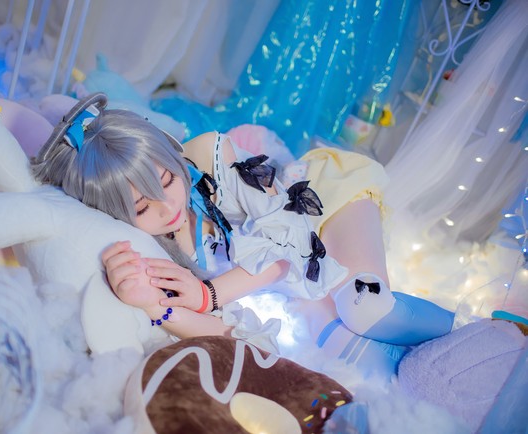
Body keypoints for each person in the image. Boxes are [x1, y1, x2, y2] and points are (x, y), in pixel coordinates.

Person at [32, 92, 454, 376]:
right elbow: (233, 337)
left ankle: (470, 331)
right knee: (364, 365)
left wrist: (207, 295)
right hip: (296, 291)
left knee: (366, 306)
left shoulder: (210, 159)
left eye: (167, 179)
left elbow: (289, 250)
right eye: (142, 207)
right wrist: (154, 305)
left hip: (325, 210)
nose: (167, 207)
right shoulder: (150, 249)